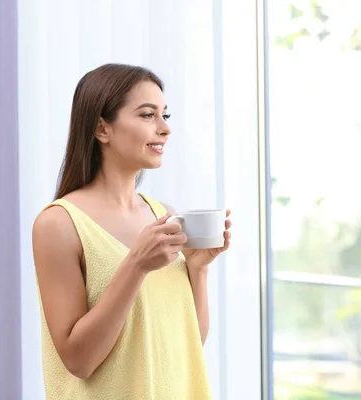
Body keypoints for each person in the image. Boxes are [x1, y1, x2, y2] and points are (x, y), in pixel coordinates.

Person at [32, 63, 232, 400]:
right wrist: (136, 264)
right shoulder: (59, 224)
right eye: (147, 115)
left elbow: (187, 343)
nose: (164, 129)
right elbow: (78, 361)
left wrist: (198, 269)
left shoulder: (165, 217)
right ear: (102, 129)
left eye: (165, 116)